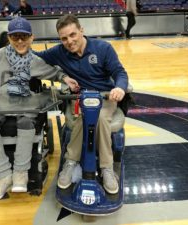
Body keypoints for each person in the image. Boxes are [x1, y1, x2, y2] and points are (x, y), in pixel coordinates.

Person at [0, 17, 78, 201]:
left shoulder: (35, 60)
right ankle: (3, 175)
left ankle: (20, 172)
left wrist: (65, 79)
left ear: (31, 38)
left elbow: (55, 72)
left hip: (24, 103)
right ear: (9, 38)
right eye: (15, 37)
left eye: (23, 37)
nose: (19, 41)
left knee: (26, 122)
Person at [35, 14, 128, 194]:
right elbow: (36, 57)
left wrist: (120, 88)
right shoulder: (59, 52)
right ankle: (70, 161)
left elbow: (119, 72)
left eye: (73, 35)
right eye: (64, 38)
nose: (69, 41)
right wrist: (14, 47)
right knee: (84, 116)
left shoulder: (103, 48)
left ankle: (106, 167)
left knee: (98, 116)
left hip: (104, 98)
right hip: (80, 99)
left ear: (81, 31)